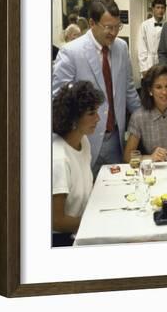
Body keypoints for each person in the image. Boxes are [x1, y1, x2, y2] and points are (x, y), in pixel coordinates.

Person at [53, 0, 141, 177]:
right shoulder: (71, 52)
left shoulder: (122, 48)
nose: (114, 33)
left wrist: (148, 120)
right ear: (92, 23)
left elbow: (129, 90)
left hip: (115, 139)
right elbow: (59, 102)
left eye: (118, 26)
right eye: (109, 27)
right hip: (83, 140)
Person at [52, 80, 104, 246]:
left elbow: (84, 184)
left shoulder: (84, 141)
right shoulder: (59, 159)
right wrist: (95, 223)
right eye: (91, 114)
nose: (98, 118)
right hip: (64, 240)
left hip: (83, 224)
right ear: (73, 119)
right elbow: (57, 221)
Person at [138, 0, 167, 78]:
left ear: (165, 9)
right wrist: (143, 68)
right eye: (158, 7)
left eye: (162, 8)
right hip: (148, 64)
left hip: (162, 63)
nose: (160, 10)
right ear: (153, 9)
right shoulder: (145, 25)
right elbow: (142, 47)